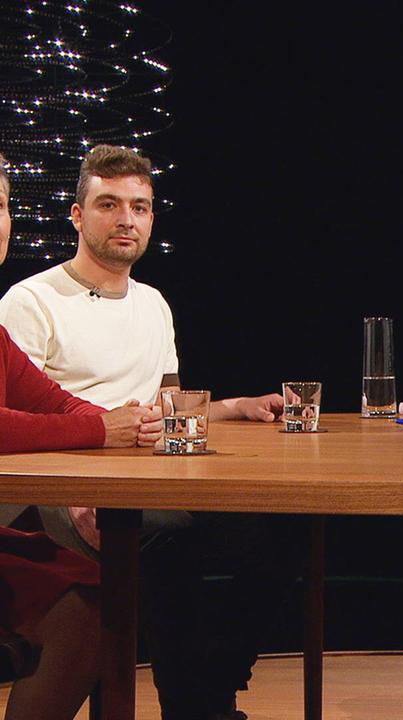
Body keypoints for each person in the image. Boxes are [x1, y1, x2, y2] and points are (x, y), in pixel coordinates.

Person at [0, 144, 303, 720]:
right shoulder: (31, 299)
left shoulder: (153, 303)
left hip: (145, 467)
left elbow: (164, 408)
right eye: (109, 204)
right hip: (57, 487)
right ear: (77, 215)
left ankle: (211, 691)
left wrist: (235, 406)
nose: (126, 219)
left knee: (279, 527)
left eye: (139, 207)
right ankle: (195, 708)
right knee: (169, 537)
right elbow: (25, 424)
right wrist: (88, 467)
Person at [0, 151, 161, 719]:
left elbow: (52, 401)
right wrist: (99, 427)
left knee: (92, 599)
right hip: (26, 505)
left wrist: (120, 425)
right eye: (109, 204)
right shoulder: (28, 301)